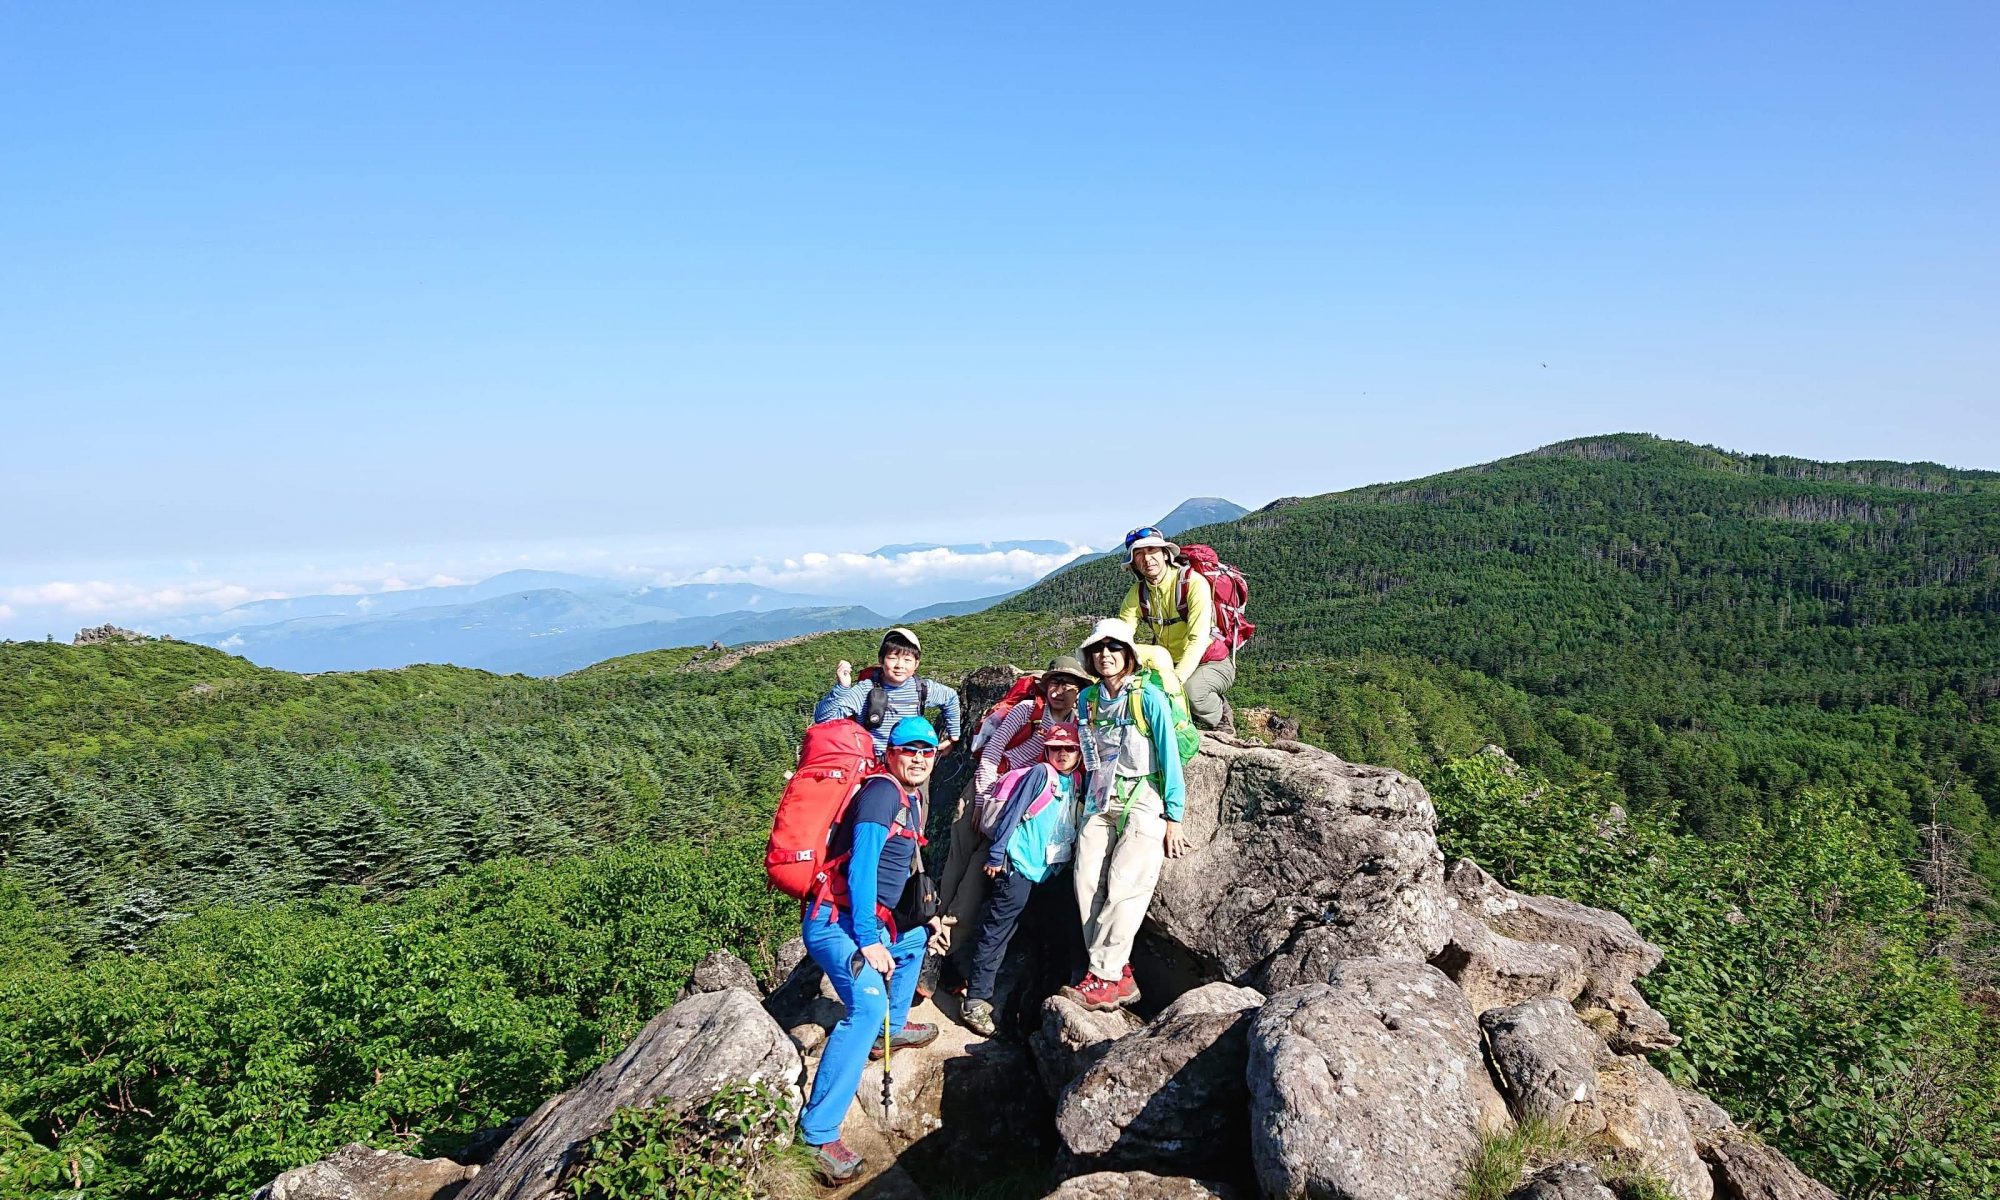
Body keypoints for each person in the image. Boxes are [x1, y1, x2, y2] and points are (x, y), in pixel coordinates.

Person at [798, 716, 944, 1182]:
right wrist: (868, 939)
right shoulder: (882, 793)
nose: (919, 757)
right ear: (891, 753)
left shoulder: (911, 798)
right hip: (833, 921)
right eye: (910, 749)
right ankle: (818, 1134)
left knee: (917, 939)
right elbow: (862, 868)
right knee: (867, 1004)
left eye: (927, 749)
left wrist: (927, 916)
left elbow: (898, 871)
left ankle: (893, 1029)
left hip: (869, 918)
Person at [933, 656, 1094, 985]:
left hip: (1018, 809)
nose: (1060, 691)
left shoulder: (1077, 725)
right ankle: (932, 935)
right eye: (1055, 683)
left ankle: (944, 947)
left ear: (1080, 692)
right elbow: (993, 752)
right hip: (985, 791)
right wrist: (980, 800)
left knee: (978, 875)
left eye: (1069, 686)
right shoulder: (1027, 711)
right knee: (956, 864)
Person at [1067, 618, 1188, 1011]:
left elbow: (1169, 755)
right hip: (1101, 796)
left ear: (1129, 655)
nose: (1105, 655)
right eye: (1098, 650)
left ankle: (1101, 976)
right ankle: (1116, 971)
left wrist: (1174, 815)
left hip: (1144, 795)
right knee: (1086, 880)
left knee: (1124, 886)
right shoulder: (1087, 701)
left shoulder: (1147, 697)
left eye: (1114, 648)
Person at [959, 723, 1086, 1036]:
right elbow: (1012, 813)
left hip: (1051, 871)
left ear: (1079, 752)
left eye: (1069, 748)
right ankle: (975, 1000)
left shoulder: (1078, 780)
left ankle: (1059, 991)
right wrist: (995, 854)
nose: (1062, 754)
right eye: (1056, 747)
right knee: (998, 930)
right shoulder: (1041, 773)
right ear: (1046, 750)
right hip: (1018, 865)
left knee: (1059, 931)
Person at [1117, 527, 1235, 730]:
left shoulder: (1193, 583)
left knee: (1191, 692)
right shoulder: (1138, 593)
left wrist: (1176, 680)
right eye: (1139, 554)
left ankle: (1221, 719)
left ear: (1165, 554)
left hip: (1211, 660)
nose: (1147, 559)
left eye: (1152, 550)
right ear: (1134, 563)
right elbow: (1122, 635)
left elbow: (1197, 639)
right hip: (1169, 662)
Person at [815, 627, 963, 759]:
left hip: (907, 762)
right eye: (892, 658)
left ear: (916, 664)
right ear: (881, 660)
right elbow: (824, 720)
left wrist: (953, 737)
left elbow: (950, 698)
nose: (900, 665)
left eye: (907, 660)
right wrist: (842, 687)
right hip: (872, 765)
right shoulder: (866, 689)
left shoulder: (922, 688)